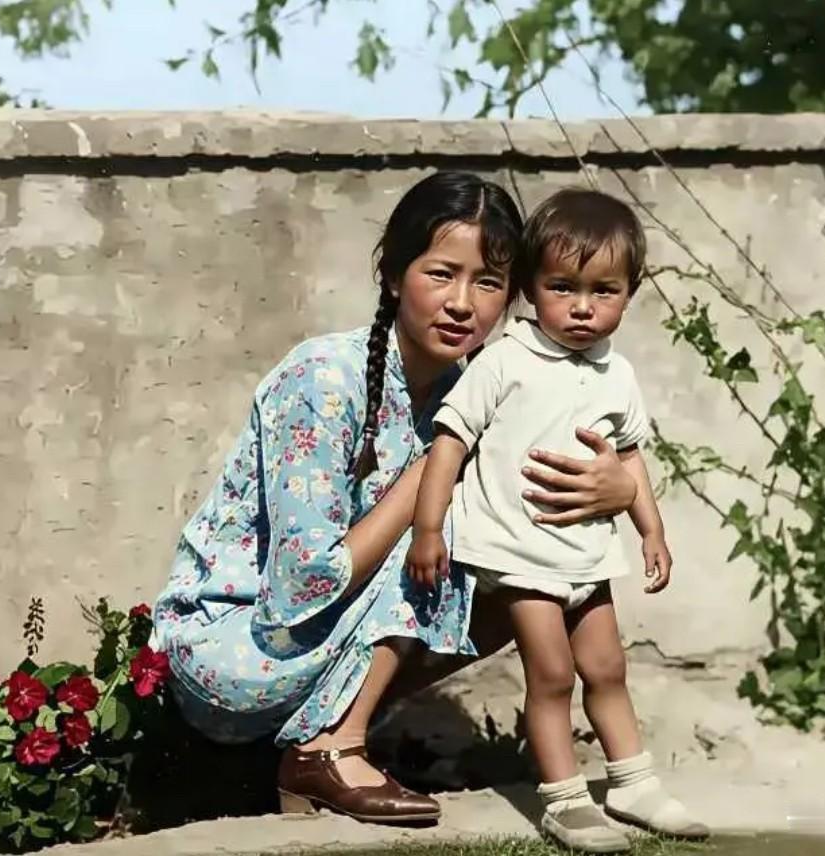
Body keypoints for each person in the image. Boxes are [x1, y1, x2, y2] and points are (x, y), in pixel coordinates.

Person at [151, 172, 640, 825]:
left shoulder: (475, 387)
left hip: (313, 640)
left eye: (487, 283)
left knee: (520, 568)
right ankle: (330, 749)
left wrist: (622, 485)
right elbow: (301, 585)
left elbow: (534, 507)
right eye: (441, 274)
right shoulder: (325, 378)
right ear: (392, 274)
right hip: (237, 647)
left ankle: (315, 741)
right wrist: (422, 485)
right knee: (441, 526)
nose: (462, 303)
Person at [406, 187, 710, 852]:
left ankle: (633, 782)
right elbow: (450, 443)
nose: (581, 307)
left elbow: (628, 457)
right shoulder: (504, 360)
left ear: (630, 293)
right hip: (520, 553)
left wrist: (650, 530)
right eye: (561, 287)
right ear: (529, 287)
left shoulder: (616, 373)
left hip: (587, 556)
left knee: (608, 667)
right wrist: (429, 529)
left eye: (603, 291)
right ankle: (565, 800)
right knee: (553, 674)